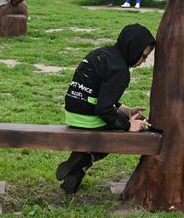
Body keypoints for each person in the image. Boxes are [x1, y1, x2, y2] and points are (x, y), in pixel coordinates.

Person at [56, 23, 155, 194]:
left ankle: (77, 172)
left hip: (73, 113)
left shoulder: (103, 53)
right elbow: (103, 109)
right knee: (117, 135)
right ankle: (83, 157)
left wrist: (126, 111)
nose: (144, 61)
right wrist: (128, 125)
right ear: (133, 48)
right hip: (88, 118)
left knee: (118, 120)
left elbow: (97, 93)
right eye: (144, 56)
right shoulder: (120, 71)